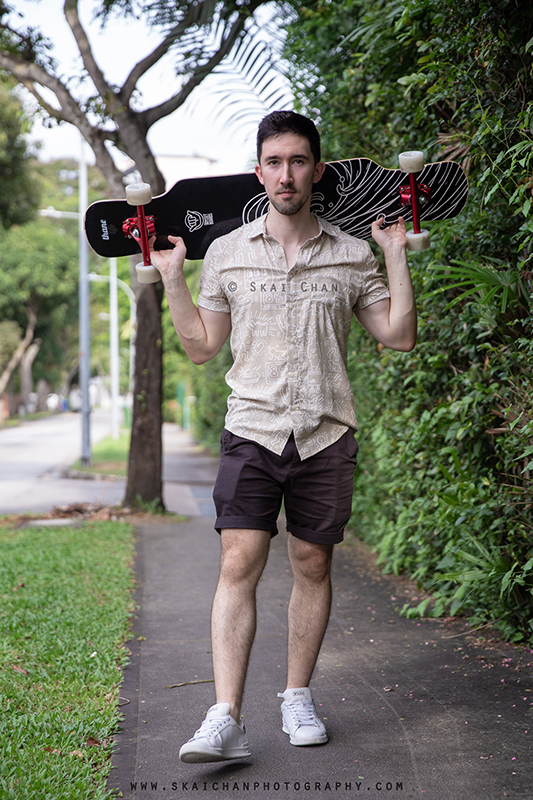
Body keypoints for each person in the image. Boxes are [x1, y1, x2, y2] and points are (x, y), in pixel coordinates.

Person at [150, 110, 416, 764]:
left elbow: (399, 335)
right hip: (252, 430)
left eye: (298, 161)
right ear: (258, 171)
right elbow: (203, 349)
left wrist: (394, 256)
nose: (286, 173)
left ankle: (296, 695)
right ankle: (224, 716)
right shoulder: (227, 253)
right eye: (274, 162)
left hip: (326, 433)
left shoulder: (352, 254)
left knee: (312, 563)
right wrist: (172, 281)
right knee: (237, 562)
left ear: (315, 170)